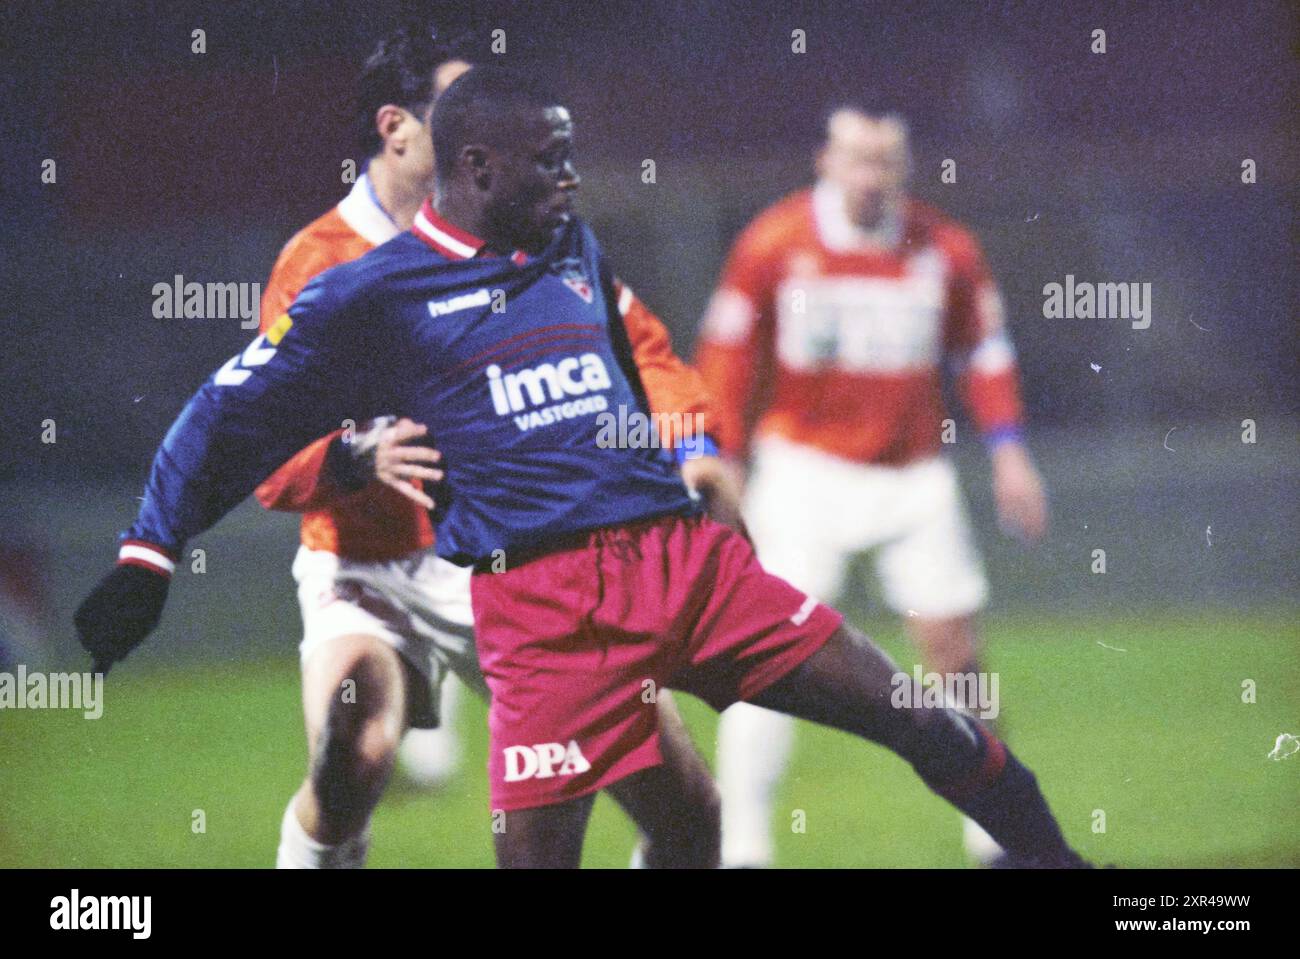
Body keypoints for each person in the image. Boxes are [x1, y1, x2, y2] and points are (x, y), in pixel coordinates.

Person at [76, 66, 1085, 869]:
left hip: (686, 569)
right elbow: (222, 416)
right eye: (550, 159)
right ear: (473, 166)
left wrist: (694, 454)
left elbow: (644, 356)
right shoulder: (368, 294)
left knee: (916, 715)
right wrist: (148, 553)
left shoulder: (571, 244)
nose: (569, 177)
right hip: (546, 614)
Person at [694, 107, 1048, 867]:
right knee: (765, 662)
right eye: (858, 158)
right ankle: (744, 849)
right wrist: (723, 453)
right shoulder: (775, 241)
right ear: (826, 158)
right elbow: (726, 353)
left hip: (913, 475)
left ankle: (995, 840)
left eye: (887, 160)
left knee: (955, 656)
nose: (871, 176)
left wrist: (1010, 449)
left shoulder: (943, 248)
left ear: (906, 165)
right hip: (804, 473)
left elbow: (983, 350)